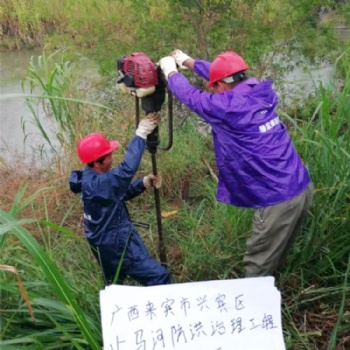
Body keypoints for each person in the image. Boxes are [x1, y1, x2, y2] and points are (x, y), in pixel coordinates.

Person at [158, 50, 313, 277]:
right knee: (276, 254)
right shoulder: (260, 91)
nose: (212, 89)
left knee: (257, 263)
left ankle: (255, 308)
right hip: (301, 185)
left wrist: (170, 72)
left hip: (278, 199)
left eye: (215, 85)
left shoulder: (226, 108)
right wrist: (187, 61)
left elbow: (190, 95)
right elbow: (223, 73)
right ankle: (271, 294)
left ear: (221, 84)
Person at [69, 115, 171, 285]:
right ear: (97, 162)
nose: (112, 157)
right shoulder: (100, 183)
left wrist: (143, 183)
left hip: (101, 244)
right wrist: (141, 135)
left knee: (114, 283)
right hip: (117, 245)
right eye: (109, 154)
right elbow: (126, 170)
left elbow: (114, 195)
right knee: (159, 277)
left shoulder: (89, 178)